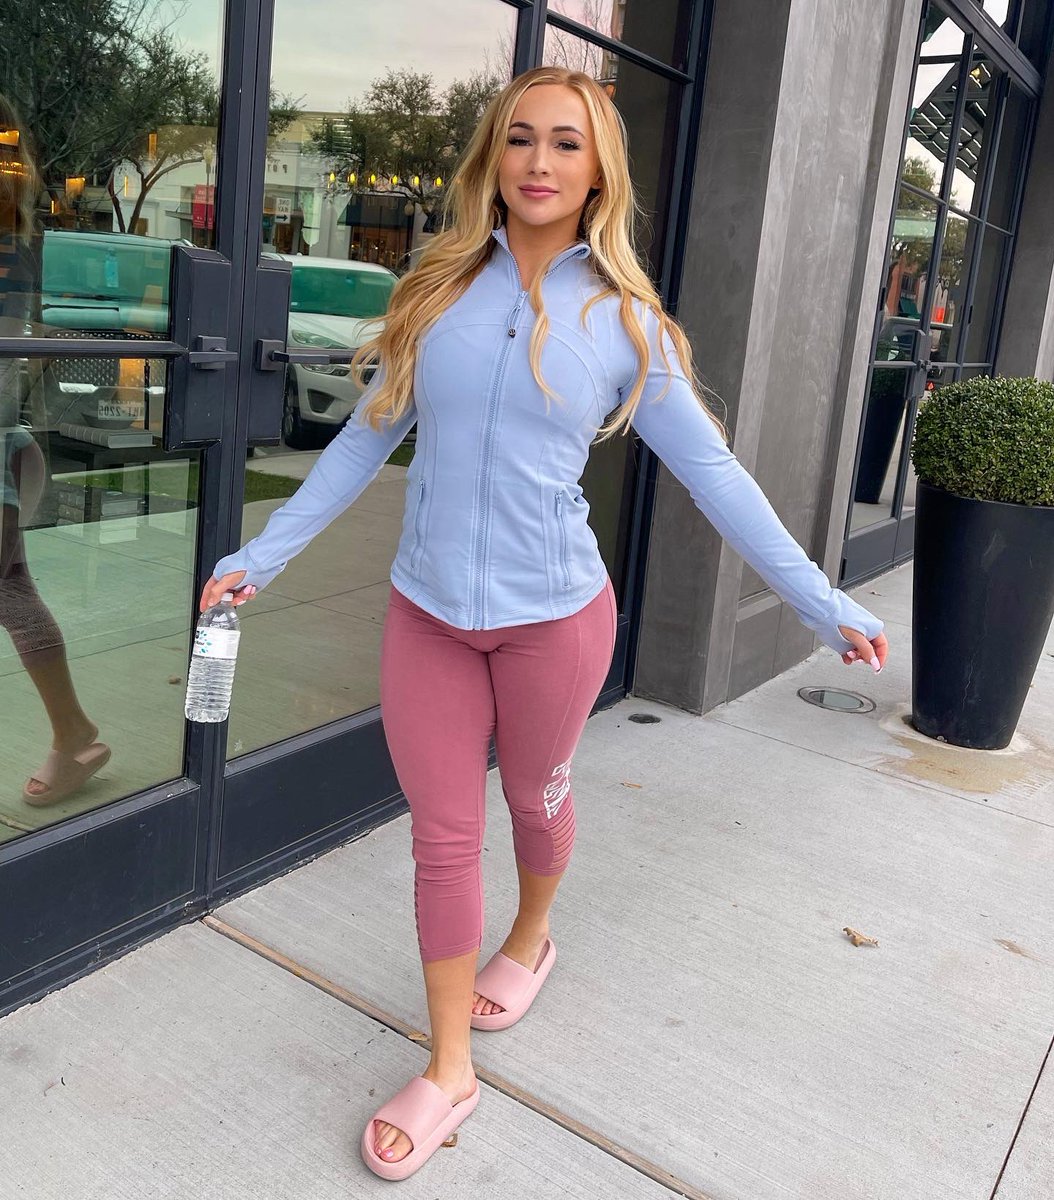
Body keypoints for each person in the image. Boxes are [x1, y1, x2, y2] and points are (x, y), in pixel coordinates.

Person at [200, 66, 889, 1181]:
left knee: (534, 797)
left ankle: (531, 936)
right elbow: (363, 441)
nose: (538, 161)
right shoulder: (436, 292)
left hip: (556, 622)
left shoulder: (623, 323)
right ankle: (449, 1068)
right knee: (442, 837)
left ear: (597, 171)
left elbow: (713, 475)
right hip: (428, 614)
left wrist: (821, 601)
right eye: (520, 138)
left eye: (566, 144)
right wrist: (258, 557)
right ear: (494, 155)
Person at [0, 95, 112, 806]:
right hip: (4, 438)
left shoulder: (9, 247)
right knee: (11, 591)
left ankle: (75, 734)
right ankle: (75, 734)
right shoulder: (16, 240)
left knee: (10, 591)